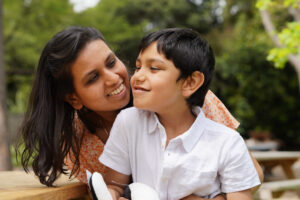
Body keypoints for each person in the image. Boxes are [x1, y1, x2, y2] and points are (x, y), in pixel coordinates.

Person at [17, 26, 262, 199]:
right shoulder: (79, 141)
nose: (114, 78)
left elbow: (252, 173)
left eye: (112, 62)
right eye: (93, 78)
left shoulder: (186, 98)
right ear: (74, 98)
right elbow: (111, 187)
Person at [99, 28, 261, 200]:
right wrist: (111, 195)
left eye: (154, 68)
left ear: (190, 83)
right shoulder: (128, 122)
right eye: (138, 67)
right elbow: (115, 185)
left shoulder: (227, 143)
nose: (137, 76)